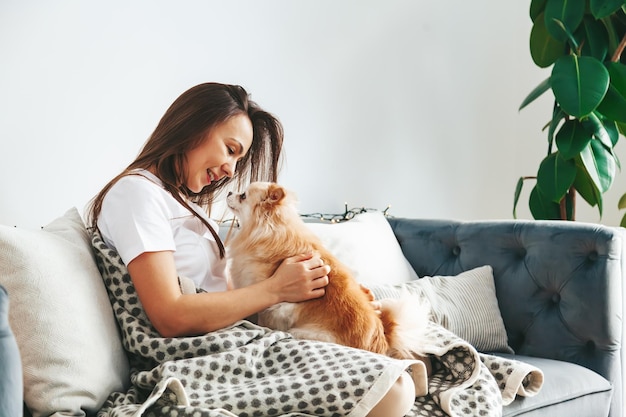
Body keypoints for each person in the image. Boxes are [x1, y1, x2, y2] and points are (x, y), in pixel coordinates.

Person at [88, 82, 417, 417]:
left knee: (405, 367)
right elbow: (170, 316)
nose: (231, 171)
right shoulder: (137, 194)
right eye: (230, 150)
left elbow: (230, 303)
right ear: (194, 126)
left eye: (238, 158)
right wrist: (275, 289)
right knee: (393, 389)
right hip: (200, 356)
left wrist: (330, 302)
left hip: (233, 340)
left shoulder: (182, 203)